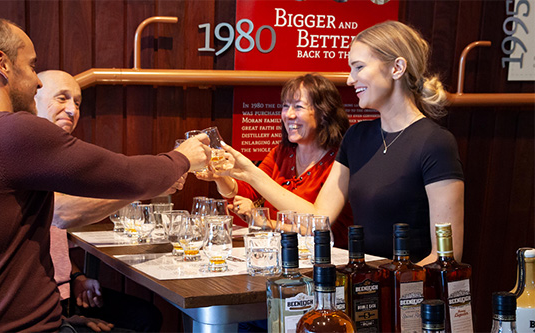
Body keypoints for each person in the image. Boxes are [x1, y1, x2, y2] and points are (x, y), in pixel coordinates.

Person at [0, 16, 209, 332]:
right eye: (32, 66)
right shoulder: (10, 130)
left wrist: (65, 320)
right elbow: (125, 175)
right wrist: (182, 158)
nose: (37, 81)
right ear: (3, 64)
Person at [218, 21, 464, 265]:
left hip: (408, 294)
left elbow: (445, 257)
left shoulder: (435, 143)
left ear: (397, 68)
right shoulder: (356, 137)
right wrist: (250, 173)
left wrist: (389, 286)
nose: (349, 79)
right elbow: (318, 217)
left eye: (358, 67)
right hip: (362, 284)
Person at [36, 70, 181, 332]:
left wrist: (77, 277)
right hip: (38, 311)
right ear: (32, 99)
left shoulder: (58, 157)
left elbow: (50, 242)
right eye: (62, 98)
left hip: (63, 296)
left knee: (147, 316)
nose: (72, 110)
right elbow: (62, 212)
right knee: (144, 321)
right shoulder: (29, 153)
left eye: (77, 102)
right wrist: (145, 188)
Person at [197, 73, 353, 247]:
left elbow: (320, 227)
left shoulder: (340, 160)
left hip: (327, 258)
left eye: (298, 107)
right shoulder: (282, 153)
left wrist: (265, 222)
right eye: (286, 106)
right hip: (278, 251)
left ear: (324, 113)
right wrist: (221, 176)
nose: (289, 115)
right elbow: (247, 193)